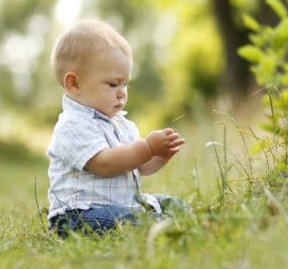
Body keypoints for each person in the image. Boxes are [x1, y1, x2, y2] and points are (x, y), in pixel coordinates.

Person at [47, 20, 187, 237]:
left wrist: (159, 155)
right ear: (74, 83)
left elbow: (140, 166)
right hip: (78, 215)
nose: (122, 92)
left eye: (125, 84)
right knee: (135, 220)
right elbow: (105, 163)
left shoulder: (122, 124)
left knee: (172, 204)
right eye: (113, 84)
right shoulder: (72, 125)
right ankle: (156, 224)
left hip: (121, 206)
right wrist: (148, 147)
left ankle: (171, 219)